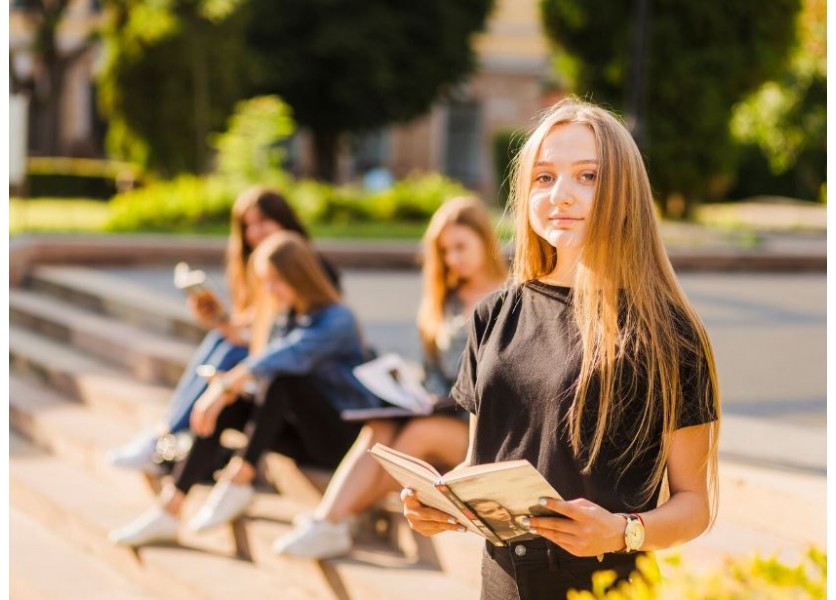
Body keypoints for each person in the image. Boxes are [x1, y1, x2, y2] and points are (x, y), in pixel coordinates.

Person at [400, 98, 721, 599]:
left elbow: (695, 505)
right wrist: (443, 501)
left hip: (604, 587)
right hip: (500, 582)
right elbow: (483, 463)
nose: (560, 196)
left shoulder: (667, 333)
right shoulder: (493, 315)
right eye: (544, 177)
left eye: (587, 176)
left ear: (624, 192)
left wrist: (621, 531)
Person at [271, 196, 508, 559]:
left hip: (482, 427)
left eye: (461, 247)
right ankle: (329, 520)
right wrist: (415, 396)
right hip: (440, 411)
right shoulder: (442, 302)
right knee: (380, 426)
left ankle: (337, 518)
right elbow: (433, 375)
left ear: (485, 242)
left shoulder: (511, 296)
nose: (453, 259)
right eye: (445, 251)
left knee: (417, 432)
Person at [109, 231, 378, 547]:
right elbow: (264, 362)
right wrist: (228, 390)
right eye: (265, 281)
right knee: (233, 407)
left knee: (283, 382)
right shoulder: (289, 315)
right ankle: (170, 508)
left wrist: (224, 385)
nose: (268, 290)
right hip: (303, 433)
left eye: (274, 280)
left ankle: (239, 479)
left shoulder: (337, 318)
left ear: (299, 276)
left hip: (343, 438)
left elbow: (289, 356)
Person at [106, 186, 339, 473]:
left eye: (263, 221)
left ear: (284, 220)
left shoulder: (307, 268)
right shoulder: (257, 264)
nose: (254, 232)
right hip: (272, 357)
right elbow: (260, 325)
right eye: (247, 226)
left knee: (232, 351)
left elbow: (294, 339)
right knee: (223, 341)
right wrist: (220, 321)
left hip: (301, 376)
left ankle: (165, 437)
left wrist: (230, 373)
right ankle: (165, 432)